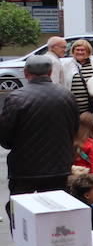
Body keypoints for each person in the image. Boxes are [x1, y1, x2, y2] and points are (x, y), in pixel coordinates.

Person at [1, 56, 80, 219]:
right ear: (50, 72)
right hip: (59, 165)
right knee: (56, 213)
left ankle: (24, 243)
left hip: (24, 169)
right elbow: (74, 129)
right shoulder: (67, 95)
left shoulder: (16, 98)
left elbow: (6, 138)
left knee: (21, 214)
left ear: (25, 73)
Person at [67, 39, 93, 117]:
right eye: (77, 50)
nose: (80, 52)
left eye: (82, 50)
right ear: (73, 51)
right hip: (73, 108)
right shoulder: (67, 65)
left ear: (88, 51)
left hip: (90, 108)